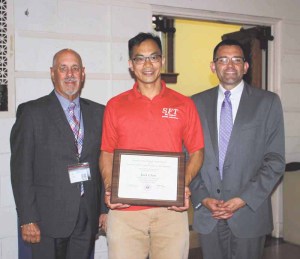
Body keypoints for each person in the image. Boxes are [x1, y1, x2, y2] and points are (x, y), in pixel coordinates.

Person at [99, 32, 204, 259]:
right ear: (131, 64)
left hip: (171, 214)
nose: (148, 64)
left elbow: (197, 152)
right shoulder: (115, 105)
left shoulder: (184, 104)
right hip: (125, 213)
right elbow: (107, 151)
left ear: (162, 61)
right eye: (140, 58)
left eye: (153, 57)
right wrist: (110, 186)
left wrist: (181, 185)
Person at [190, 39, 285, 259]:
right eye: (223, 60)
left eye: (236, 60)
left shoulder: (267, 103)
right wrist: (203, 197)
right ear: (213, 67)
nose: (230, 65)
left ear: (245, 67)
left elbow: (275, 160)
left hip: (249, 212)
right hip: (208, 213)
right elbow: (188, 156)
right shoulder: (195, 104)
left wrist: (243, 198)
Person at [11, 49, 106, 259]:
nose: (70, 74)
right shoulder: (32, 113)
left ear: (83, 73)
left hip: (86, 216)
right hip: (46, 219)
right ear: (52, 73)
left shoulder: (99, 113)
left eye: (75, 68)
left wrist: (103, 209)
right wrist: (27, 217)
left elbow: (103, 164)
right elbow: (21, 170)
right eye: (63, 68)